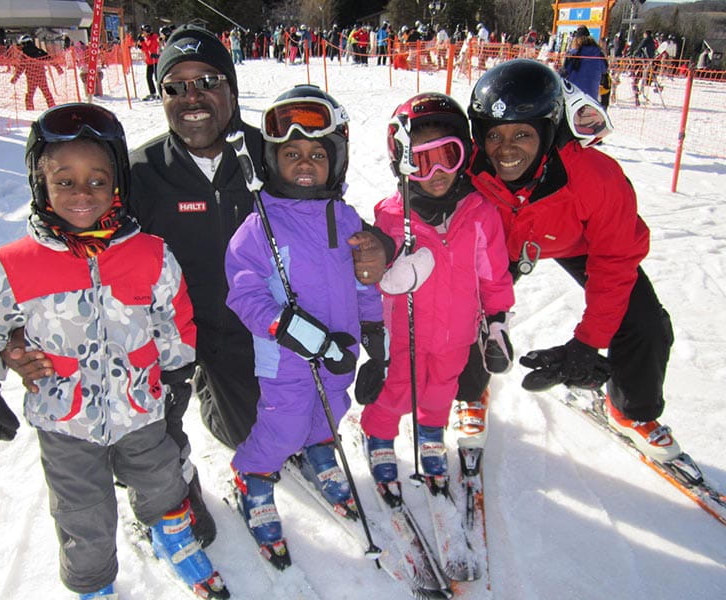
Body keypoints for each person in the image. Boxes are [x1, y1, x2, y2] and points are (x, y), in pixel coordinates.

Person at [2, 23, 391, 545]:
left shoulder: (275, 150)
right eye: (175, 86)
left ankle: (306, 438)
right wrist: (19, 332)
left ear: (230, 88)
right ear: (161, 95)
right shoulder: (139, 173)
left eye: (207, 80)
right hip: (188, 334)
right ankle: (171, 483)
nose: (193, 97)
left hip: (276, 329)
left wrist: (378, 247)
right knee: (233, 431)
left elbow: (334, 216)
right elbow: (70, 242)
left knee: (306, 409)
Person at [0, 103, 228, 600]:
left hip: (140, 407)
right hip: (65, 421)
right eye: (65, 181)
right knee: (81, 510)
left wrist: (177, 372)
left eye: (97, 181)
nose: (83, 194)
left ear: (118, 183)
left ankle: (170, 529)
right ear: (41, 185)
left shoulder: (149, 252)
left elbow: (174, 315)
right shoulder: (13, 264)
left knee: (162, 478)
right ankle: (92, 582)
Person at [460, 58, 679, 464]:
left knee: (646, 324)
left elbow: (615, 265)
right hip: (501, 243)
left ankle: (631, 410)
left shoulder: (598, 179)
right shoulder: (468, 170)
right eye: (494, 136)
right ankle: (469, 391)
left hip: (576, 240)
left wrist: (588, 342)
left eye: (523, 134)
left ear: (548, 132)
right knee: (462, 309)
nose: (506, 150)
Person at [225, 84, 383, 564]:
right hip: (287, 358)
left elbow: (363, 279)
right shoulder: (259, 226)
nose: (305, 163)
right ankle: (252, 473)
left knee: (333, 411)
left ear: (337, 159)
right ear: (273, 161)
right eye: (291, 153)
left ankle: (320, 452)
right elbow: (244, 292)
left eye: (318, 153)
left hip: (341, 351)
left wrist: (374, 330)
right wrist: (285, 326)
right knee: (285, 424)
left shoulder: (345, 216)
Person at [360, 93, 514, 501]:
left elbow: (494, 275)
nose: (439, 172)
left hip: (457, 335)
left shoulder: (480, 213)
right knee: (398, 389)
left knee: (442, 387)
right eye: (423, 160)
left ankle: (431, 433)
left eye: (449, 154)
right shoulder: (392, 216)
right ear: (402, 161)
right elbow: (373, 276)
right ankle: (378, 434)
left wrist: (497, 322)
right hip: (405, 333)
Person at [10, 35, 59, 111]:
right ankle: (53, 108)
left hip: (31, 77)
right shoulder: (39, 51)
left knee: (29, 95)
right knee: (47, 93)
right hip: (41, 75)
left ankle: (30, 110)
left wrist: (15, 77)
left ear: (25, 43)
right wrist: (58, 68)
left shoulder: (24, 55)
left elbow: (21, 67)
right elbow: (49, 59)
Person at [562, 26, 608, 101]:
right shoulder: (599, 54)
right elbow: (604, 69)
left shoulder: (573, 54)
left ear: (576, 39)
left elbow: (564, 73)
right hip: (592, 97)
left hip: (574, 96)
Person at [137, 24, 160, 100]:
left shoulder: (154, 38)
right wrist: (140, 45)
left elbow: (149, 48)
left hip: (154, 61)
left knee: (157, 78)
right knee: (149, 78)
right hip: (149, 61)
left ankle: (162, 92)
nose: (143, 33)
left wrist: (143, 42)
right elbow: (145, 49)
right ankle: (153, 93)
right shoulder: (147, 38)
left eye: (144, 31)